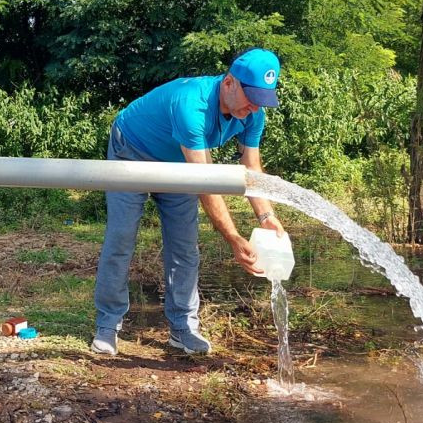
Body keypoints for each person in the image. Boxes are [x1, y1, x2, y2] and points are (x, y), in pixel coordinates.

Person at [92, 48, 286, 356]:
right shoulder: (191, 104)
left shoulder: (252, 114)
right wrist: (233, 237)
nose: (253, 107)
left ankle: (183, 329)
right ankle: (107, 324)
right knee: (121, 238)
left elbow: (251, 167)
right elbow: (204, 183)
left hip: (178, 164)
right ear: (229, 83)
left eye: (261, 100)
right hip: (132, 152)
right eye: (250, 97)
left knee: (185, 246)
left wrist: (266, 217)